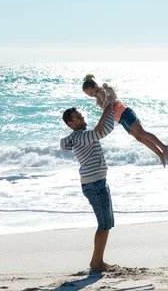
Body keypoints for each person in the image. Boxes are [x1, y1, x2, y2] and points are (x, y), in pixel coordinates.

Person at [60, 105, 116, 272]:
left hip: (96, 183)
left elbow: (65, 144)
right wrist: (110, 107)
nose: (82, 118)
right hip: (95, 184)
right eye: (78, 117)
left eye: (81, 115)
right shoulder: (83, 136)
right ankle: (96, 262)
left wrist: (109, 109)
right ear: (71, 123)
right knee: (104, 224)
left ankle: (97, 261)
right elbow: (107, 129)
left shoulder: (78, 137)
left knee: (106, 223)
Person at [82, 74, 168, 166]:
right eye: (89, 95)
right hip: (120, 119)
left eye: (91, 93)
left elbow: (109, 107)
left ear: (95, 86)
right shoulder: (99, 94)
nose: (92, 96)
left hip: (125, 113)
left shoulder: (100, 93)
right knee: (139, 137)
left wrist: (100, 124)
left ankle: (164, 147)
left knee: (141, 133)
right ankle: (160, 154)